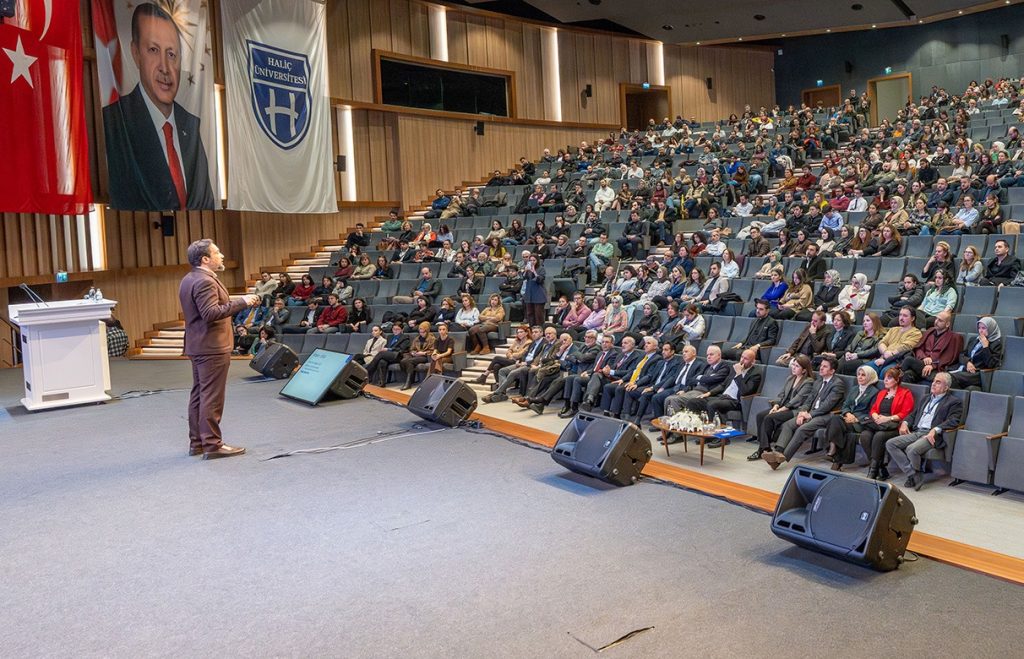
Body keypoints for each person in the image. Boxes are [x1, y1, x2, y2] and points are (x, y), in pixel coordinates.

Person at [104, 3, 215, 210]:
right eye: (154, 50)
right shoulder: (116, 122)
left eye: (171, 54)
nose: (165, 67)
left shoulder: (191, 125)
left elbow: (205, 200)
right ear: (136, 53)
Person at [178, 239, 259, 459]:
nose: (221, 255)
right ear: (205, 259)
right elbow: (210, 313)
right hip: (211, 347)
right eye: (217, 252)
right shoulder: (205, 281)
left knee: (199, 395)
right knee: (211, 397)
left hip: (199, 344)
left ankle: (198, 443)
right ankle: (212, 445)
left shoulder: (189, 278)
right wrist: (242, 302)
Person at [762, 356, 847, 469]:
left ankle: (781, 458)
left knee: (802, 429)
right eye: (821, 365)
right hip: (810, 413)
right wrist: (802, 412)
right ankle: (778, 451)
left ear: (832, 371)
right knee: (788, 425)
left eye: (825, 366)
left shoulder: (837, 384)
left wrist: (810, 415)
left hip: (826, 415)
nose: (821, 368)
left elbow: (827, 406)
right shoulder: (818, 381)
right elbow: (809, 400)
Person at [885, 372, 962, 490]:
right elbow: (913, 414)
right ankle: (913, 474)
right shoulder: (925, 398)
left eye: (938, 382)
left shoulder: (953, 402)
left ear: (946, 387)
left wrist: (935, 430)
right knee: (890, 444)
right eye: (933, 381)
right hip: (917, 431)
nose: (933, 384)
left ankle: (913, 476)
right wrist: (905, 423)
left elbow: (954, 420)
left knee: (911, 449)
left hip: (931, 435)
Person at [674, 348, 763, 448]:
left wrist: (739, 374)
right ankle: (705, 432)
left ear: (753, 361)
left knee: (713, 405)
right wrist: (709, 393)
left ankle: (722, 438)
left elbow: (745, 391)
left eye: (746, 359)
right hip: (723, 397)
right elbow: (723, 385)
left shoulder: (755, 373)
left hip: (736, 401)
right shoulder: (734, 369)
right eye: (742, 357)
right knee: (694, 402)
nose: (742, 360)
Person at [748, 355, 814, 461]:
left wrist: (781, 410)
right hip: (782, 407)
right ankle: (765, 448)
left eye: (797, 366)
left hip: (794, 410)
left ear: (804, 370)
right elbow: (781, 395)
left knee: (769, 418)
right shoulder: (790, 378)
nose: (793, 367)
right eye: (793, 365)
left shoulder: (808, 382)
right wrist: (776, 406)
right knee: (760, 415)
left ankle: (762, 449)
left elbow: (797, 400)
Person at [859, 367, 915, 481]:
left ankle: (873, 471)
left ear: (897, 380)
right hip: (878, 423)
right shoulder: (882, 393)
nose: (885, 380)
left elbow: (906, 413)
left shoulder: (905, 393)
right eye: (884, 378)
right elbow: (873, 409)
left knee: (879, 436)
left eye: (889, 378)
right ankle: (881, 468)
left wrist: (888, 418)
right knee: (865, 436)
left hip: (893, 425)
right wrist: (875, 415)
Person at [823, 365, 882, 470]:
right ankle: (834, 452)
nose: (860, 377)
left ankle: (832, 450)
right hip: (848, 419)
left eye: (863, 375)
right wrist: (848, 414)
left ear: (870, 377)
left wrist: (856, 419)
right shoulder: (854, 389)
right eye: (858, 374)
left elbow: (872, 412)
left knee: (836, 421)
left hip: (862, 423)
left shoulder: (875, 392)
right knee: (837, 422)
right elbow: (845, 405)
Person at [900, 311, 963, 383]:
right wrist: (924, 357)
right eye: (936, 319)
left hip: (937, 368)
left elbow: (949, 357)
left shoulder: (954, 337)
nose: (936, 322)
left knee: (908, 360)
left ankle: (894, 377)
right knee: (908, 374)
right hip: (921, 364)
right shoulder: (929, 331)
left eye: (940, 320)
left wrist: (933, 365)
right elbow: (919, 348)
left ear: (947, 324)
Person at [949, 317, 1004, 390]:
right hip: (964, 369)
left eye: (983, 328)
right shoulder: (974, 339)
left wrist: (985, 347)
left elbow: (992, 364)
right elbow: (962, 355)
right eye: (979, 328)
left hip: (977, 374)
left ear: (991, 328)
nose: (980, 331)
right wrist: (967, 362)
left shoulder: (996, 344)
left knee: (948, 378)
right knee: (941, 375)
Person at [870, 306, 923, 375]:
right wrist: (885, 352)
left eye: (905, 316)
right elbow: (882, 343)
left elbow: (905, 347)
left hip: (897, 361)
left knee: (885, 373)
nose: (901, 318)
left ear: (912, 318)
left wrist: (888, 356)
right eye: (900, 315)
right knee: (865, 369)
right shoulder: (893, 329)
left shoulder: (916, 333)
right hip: (883, 357)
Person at [400, 322, 437, 389]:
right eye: (420, 332)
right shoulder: (417, 338)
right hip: (416, 355)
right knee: (403, 361)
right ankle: (410, 380)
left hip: (425, 356)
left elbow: (433, 350)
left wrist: (423, 353)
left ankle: (408, 383)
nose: (421, 334)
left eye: (423, 332)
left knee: (409, 361)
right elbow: (412, 348)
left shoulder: (432, 339)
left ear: (427, 331)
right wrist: (413, 352)